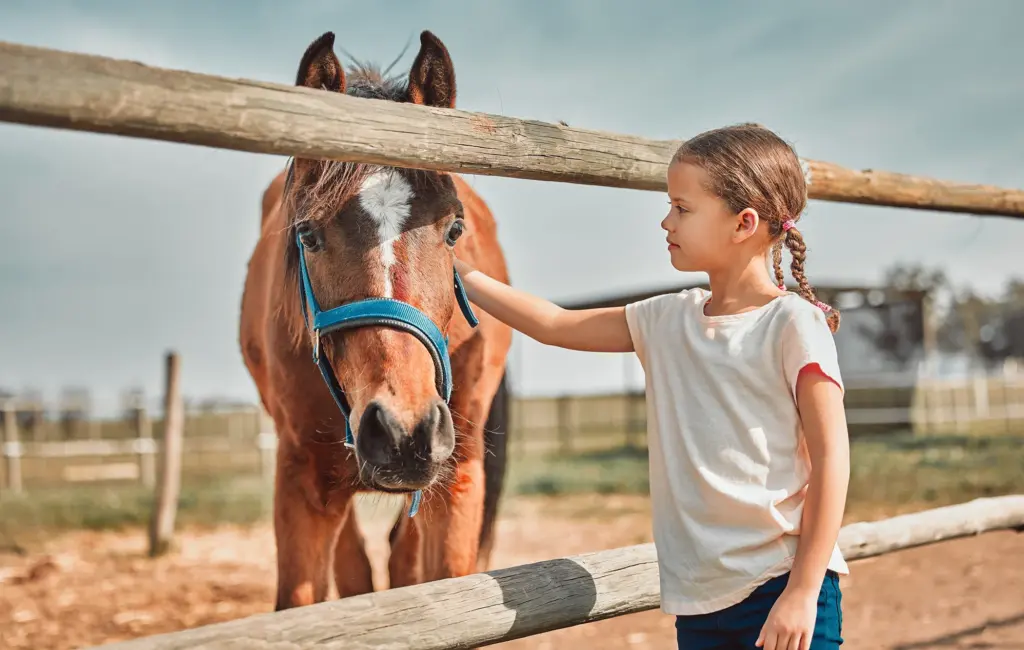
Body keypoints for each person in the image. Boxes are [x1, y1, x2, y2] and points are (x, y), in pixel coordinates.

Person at [453, 123, 849, 649]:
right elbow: (553, 323)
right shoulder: (666, 319)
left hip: (783, 588)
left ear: (744, 223)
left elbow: (832, 460)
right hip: (698, 602)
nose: (666, 221)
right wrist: (454, 267)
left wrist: (802, 591)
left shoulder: (794, 324)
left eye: (682, 208)